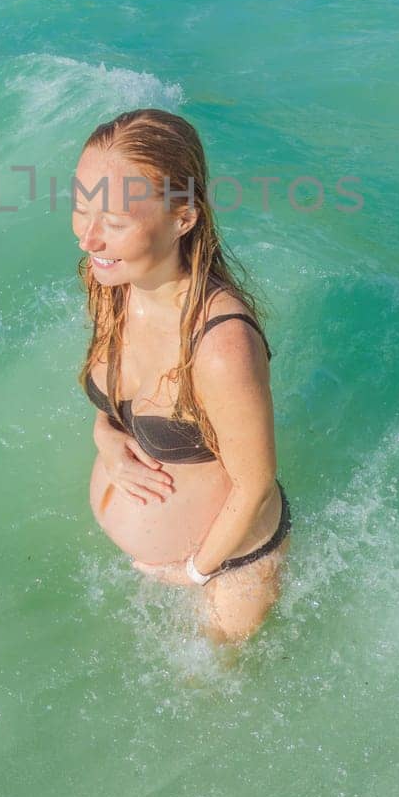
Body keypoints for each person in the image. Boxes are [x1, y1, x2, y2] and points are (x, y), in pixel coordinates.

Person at [72, 108, 290, 646]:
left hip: (229, 567)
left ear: (182, 219)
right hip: (162, 561)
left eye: (115, 223)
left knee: (210, 700)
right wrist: (108, 440)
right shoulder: (110, 285)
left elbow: (255, 485)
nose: (89, 238)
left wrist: (194, 572)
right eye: (80, 210)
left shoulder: (220, 344)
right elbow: (116, 403)